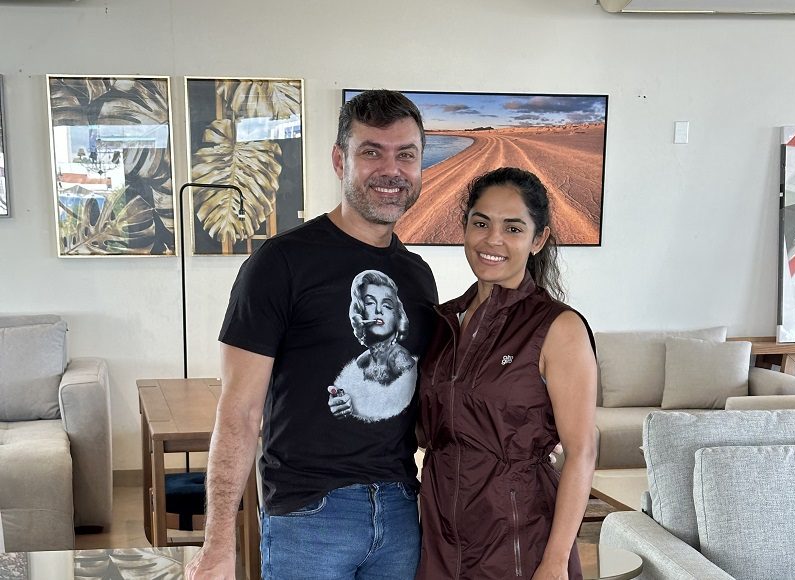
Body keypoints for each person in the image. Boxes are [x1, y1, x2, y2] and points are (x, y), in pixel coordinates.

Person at [185, 90, 438, 580]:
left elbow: (421, 402)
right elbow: (239, 412)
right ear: (340, 160)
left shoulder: (417, 276)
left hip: (401, 509)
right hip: (310, 514)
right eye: (372, 152)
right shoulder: (280, 263)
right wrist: (217, 544)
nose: (391, 170)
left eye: (406, 155)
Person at [416, 167, 597, 580]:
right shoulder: (442, 324)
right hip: (439, 539)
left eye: (512, 228)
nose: (492, 240)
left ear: (538, 240)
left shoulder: (558, 327)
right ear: (465, 228)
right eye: (481, 223)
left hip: (518, 541)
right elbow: (427, 431)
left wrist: (555, 562)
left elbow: (581, 452)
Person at [328, 269, 418, 422]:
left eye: (387, 305)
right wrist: (340, 403)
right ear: (360, 312)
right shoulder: (362, 362)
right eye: (370, 303)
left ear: (397, 316)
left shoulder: (400, 359)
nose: (378, 310)